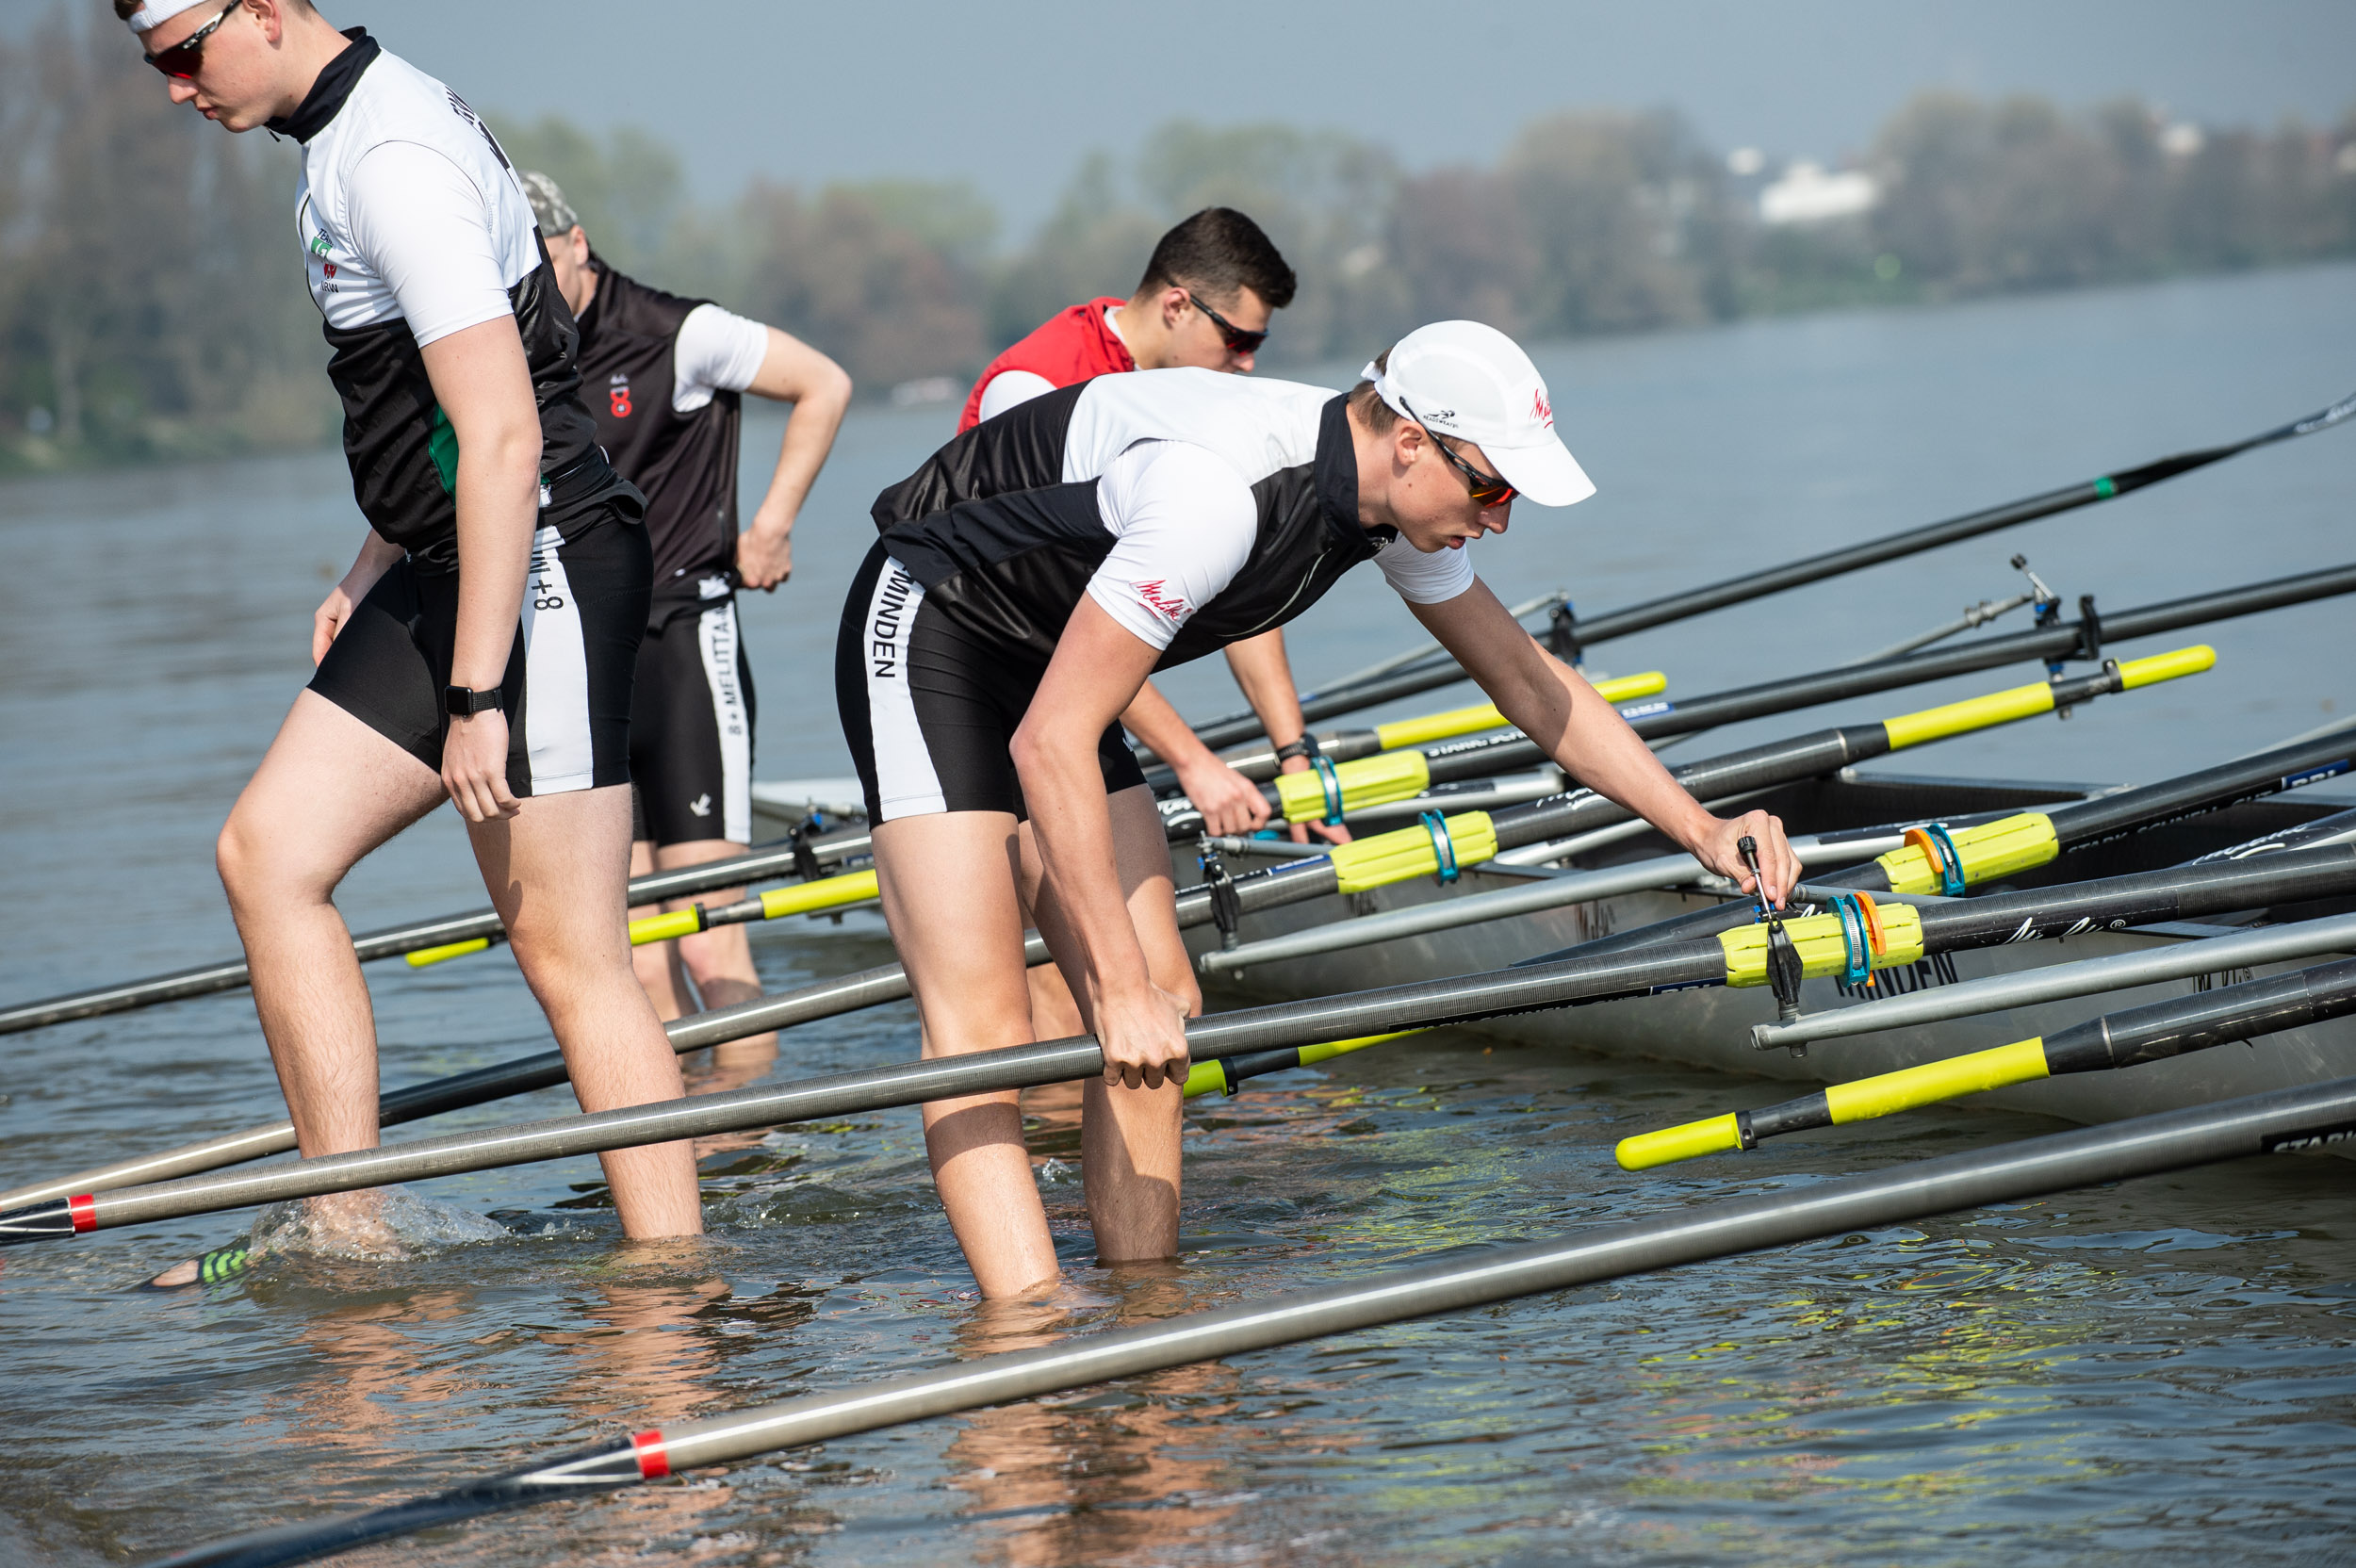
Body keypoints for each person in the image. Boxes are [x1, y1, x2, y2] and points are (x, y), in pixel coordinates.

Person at [839, 320, 1804, 1298]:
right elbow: (1049, 744)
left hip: (1055, 648)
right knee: (988, 1030)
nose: (1500, 519)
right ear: (1411, 441)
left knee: (1163, 1008)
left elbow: (1525, 680)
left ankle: (1145, 1317)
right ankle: (1034, 1338)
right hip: (931, 619)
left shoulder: (1389, 504)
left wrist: (1699, 826)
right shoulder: (1218, 497)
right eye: (1492, 486)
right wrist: (1111, 984)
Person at [121, 0, 703, 1282]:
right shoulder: (340, 139)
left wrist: (479, 690)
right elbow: (426, 413)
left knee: (569, 952)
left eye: (180, 57)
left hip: (538, 559)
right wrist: (370, 557)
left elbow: (501, 436)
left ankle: (676, 1293)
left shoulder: (393, 158)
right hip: (446, 558)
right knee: (267, 856)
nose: (174, 90)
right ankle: (349, 1226)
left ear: (263, 13)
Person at [520, 172, 853, 1051]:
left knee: (709, 941)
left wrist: (770, 527)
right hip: (582, 651)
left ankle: (755, 1141)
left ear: (578, 243)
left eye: (540, 261)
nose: (528, 288)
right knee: (630, 955)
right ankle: (695, 1160)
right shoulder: (513, 354)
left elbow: (825, 384)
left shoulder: (682, 333)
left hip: (682, 644)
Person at [966, 208, 1340, 854]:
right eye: (1239, 340)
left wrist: (1292, 754)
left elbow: (1237, 587)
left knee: (1146, 942)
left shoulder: (1194, 394)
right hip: (984, 675)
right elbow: (1066, 610)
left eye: (1260, 345)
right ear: (1177, 306)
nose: (1247, 365)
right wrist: (1193, 763)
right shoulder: (1033, 387)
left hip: (1080, 688)